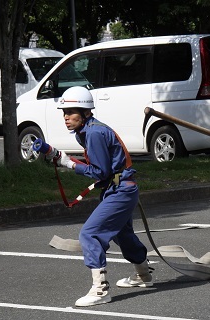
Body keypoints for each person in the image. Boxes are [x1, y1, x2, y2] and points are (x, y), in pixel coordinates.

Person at [54, 86, 153, 307]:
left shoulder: (94, 132)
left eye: (71, 112)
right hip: (120, 189)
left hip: (120, 190)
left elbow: (99, 171)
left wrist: (68, 163)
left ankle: (100, 290)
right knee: (122, 235)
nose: (66, 117)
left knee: (90, 234)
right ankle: (143, 274)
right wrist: (58, 155)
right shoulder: (89, 130)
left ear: (86, 112)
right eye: (64, 113)